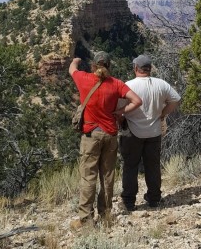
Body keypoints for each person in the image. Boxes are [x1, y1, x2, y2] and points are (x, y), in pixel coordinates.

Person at [69, 51, 142, 228]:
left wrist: (76, 60)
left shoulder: (84, 79)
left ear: (94, 66)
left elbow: (72, 69)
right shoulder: (116, 84)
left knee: (88, 177)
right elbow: (137, 101)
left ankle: (86, 219)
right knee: (107, 176)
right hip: (110, 134)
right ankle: (105, 215)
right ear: (109, 66)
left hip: (91, 135)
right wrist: (121, 112)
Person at [119, 54, 181, 211]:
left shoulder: (128, 85)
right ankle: (154, 198)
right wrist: (162, 114)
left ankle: (129, 201)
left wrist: (121, 120)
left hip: (132, 131)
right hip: (153, 131)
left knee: (130, 166)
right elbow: (175, 100)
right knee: (152, 166)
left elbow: (119, 109)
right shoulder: (161, 84)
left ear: (135, 68)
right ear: (150, 68)